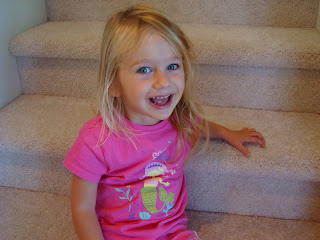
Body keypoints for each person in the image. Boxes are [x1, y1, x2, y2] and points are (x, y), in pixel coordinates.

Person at [64, 4, 265, 240]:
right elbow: (82, 208)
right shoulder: (96, 139)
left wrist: (227, 133)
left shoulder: (180, 121)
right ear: (115, 84)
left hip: (173, 233)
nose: (163, 81)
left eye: (172, 66)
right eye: (145, 69)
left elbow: (200, 126)